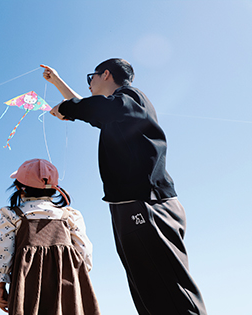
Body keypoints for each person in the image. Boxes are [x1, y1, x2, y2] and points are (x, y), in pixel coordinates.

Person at [42, 59, 207, 315]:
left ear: (106, 74)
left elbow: (95, 109)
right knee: (148, 292)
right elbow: (92, 110)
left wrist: (68, 108)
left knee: (169, 292)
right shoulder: (118, 113)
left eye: (91, 78)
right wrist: (57, 83)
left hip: (146, 204)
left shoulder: (131, 97)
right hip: (129, 206)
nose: (89, 84)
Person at [0, 158, 100, 315]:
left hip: (27, 284)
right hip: (66, 283)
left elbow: (3, 250)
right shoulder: (70, 215)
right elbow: (84, 251)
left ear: (20, 188)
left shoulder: (13, 215)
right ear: (54, 189)